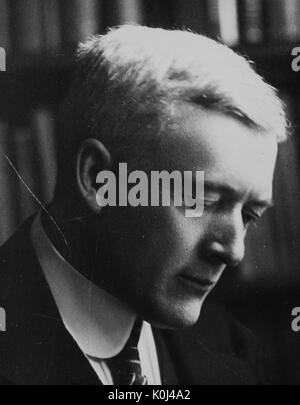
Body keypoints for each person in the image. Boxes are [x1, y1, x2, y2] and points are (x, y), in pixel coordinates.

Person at [0, 25, 287, 385]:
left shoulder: (231, 349)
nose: (233, 251)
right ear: (98, 178)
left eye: (249, 215)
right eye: (201, 199)